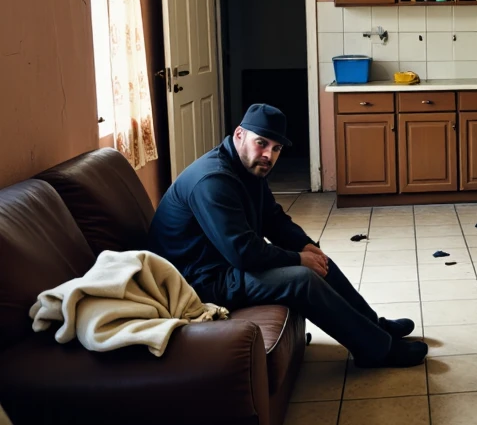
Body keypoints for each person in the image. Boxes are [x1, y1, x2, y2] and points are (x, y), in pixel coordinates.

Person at [148, 103, 426, 367]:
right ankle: (375, 352)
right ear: (239, 135)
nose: (269, 154)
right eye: (262, 143)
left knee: (318, 261)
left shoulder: (247, 167)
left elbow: (274, 219)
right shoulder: (213, 181)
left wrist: (306, 246)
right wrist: (297, 259)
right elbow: (243, 252)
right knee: (302, 277)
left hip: (223, 266)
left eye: (276, 148)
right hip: (200, 280)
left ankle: (375, 326)